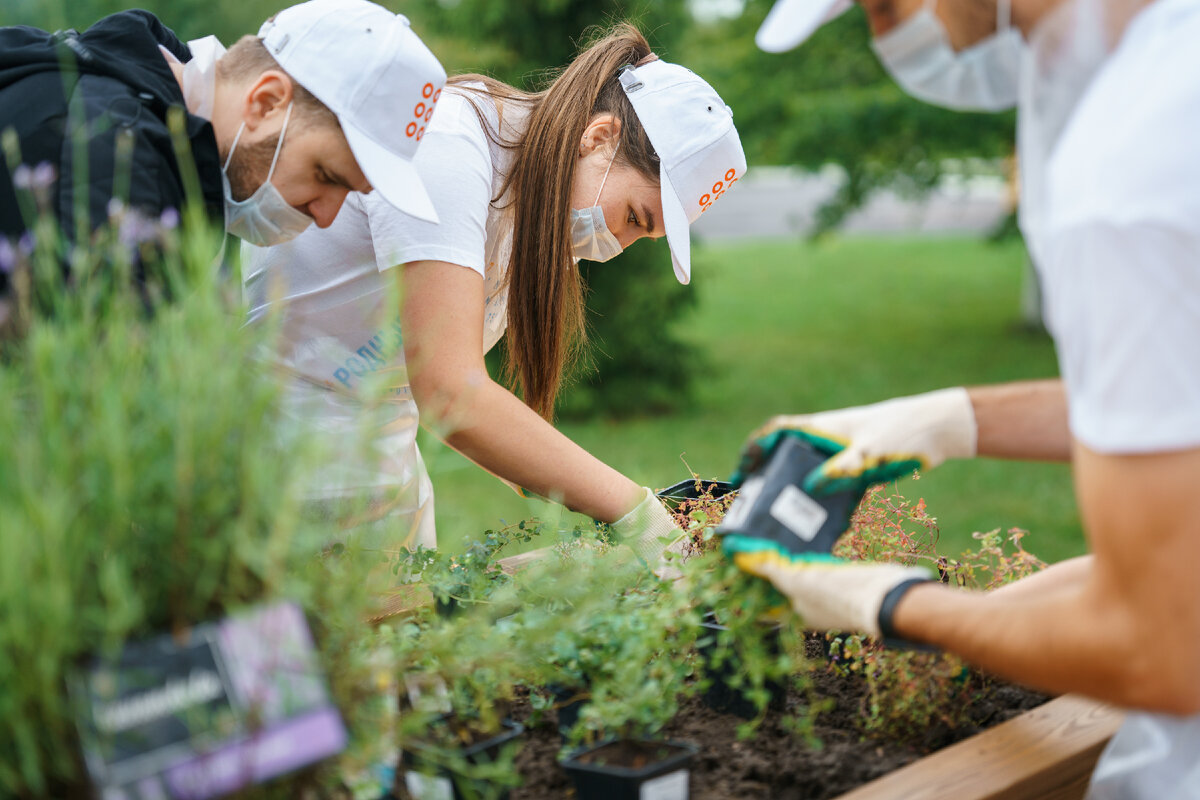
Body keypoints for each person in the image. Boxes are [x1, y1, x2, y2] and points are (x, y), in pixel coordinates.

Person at [728, 0, 1200, 796]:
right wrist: (956, 420)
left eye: (886, 3)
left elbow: (1161, 649)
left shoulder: (1128, 176)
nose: (901, 35)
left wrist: (888, 603)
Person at [242, 23, 746, 562]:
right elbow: (450, 390)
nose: (618, 246)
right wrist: (633, 511)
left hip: (379, 460)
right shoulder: (450, 144)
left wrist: (580, 508)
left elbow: (451, 401)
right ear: (599, 136)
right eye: (633, 217)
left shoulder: (530, 211)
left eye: (642, 238)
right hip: (272, 457)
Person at [0, 0, 445, 307]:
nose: (326, 216)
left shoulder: (132, 110)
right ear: (266, 102)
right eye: (326, 175)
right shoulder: (121, 159)